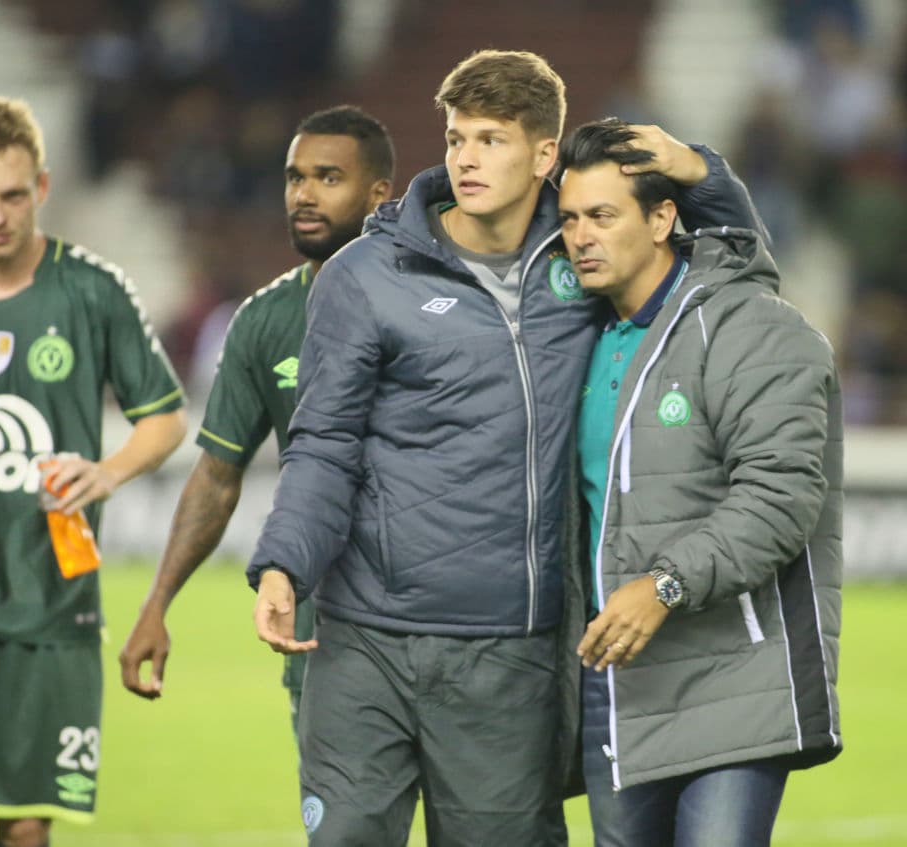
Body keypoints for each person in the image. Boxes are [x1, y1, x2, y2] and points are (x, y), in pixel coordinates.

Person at [247, 49, 768, 847]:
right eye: (457, 137)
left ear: (544, 154)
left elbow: (733, 268)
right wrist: (285, 561)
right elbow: (324, 442)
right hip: (365, 641)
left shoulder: (589, 255)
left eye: (491, 139)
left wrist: (698, 168)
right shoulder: (364, 275)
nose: (465, 157)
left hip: (513, 649)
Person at [0, 97, 187, 847]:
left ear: (42, 188)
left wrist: (110, 472)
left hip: (50, 595)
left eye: (13, 195)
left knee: (22, 831)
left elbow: (165, 417)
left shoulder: (93, 290)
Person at [558, 117, 843, 846]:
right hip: (616, 686)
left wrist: (663, 584)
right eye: (568, 219)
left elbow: (781, 498)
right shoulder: (568, 341)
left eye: (601, 216)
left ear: (661, 219)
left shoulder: (754, 328)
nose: (580, 236)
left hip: (732, 683)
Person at [118, 105, 395, 734]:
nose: (304, 194)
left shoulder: (435, 303)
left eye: (329, 178)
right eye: (295, 177)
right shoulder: (264, 323)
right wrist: (156, 603)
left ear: (379, 194)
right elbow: (217, 477)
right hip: (321, 633)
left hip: (438, 624)